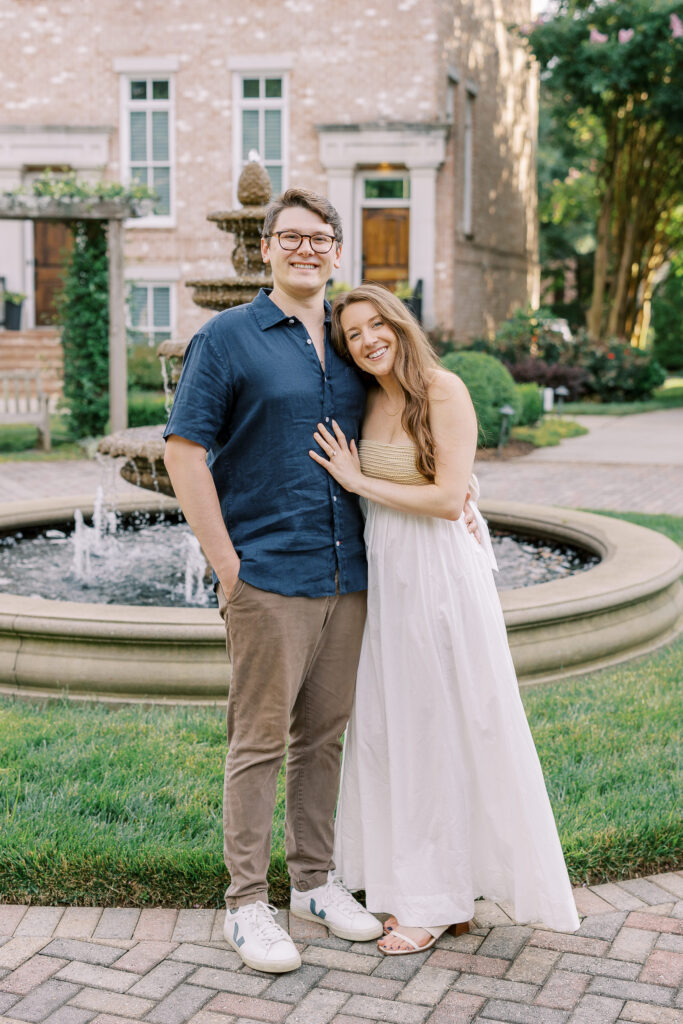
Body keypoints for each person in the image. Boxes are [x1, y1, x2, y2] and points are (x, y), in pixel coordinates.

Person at [309, 283, 580, 956]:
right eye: (353, 334)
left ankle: (432, 902)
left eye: (378, 325)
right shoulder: (364, 398)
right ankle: (433, 886)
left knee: (442, 724)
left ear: (399, 325)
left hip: (435, 576)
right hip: (386, 576)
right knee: (394, 728)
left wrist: (357, 480)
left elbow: (446, 497)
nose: (368, 339)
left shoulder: (443, 389)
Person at [163, 189, 385, 973]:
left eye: (319, 238)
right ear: (265, 249)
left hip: (347, 573)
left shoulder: (355, 336)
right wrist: (228, 568)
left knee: (322, 738)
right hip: (267, 572)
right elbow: (184, 452)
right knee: (257, 743)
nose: (306, 249)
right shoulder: (226, 337)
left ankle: (314, 885)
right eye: (289, 237)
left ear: (335, 251)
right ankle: (246, 904)